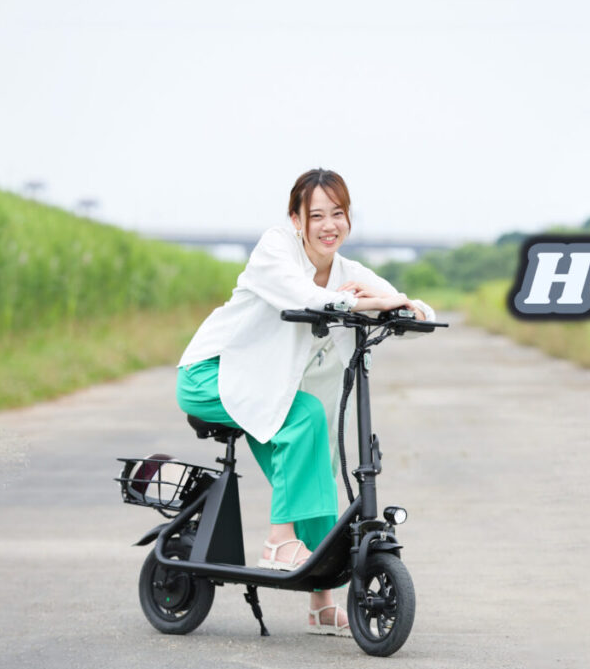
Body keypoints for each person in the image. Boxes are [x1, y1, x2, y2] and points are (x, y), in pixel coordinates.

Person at [174, 169, 434, 637]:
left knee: (320, 461)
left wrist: (404, 306)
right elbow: (307, 296)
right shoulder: (275, 249)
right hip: (210, 374)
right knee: (307, 416)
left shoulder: (348, 272)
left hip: (261, 385)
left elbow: (410, 307)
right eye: (316, 215)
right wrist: (366, 303)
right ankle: (278, 542)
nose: (328, 225)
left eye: (338, 214)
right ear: (296, 219)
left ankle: (321, 603)